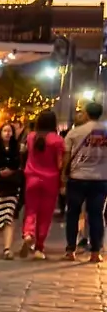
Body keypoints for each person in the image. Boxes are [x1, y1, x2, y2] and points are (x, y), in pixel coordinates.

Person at [63, 102, 107, 262]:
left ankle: (70, 250)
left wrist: (63, 177)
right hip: (101, 179)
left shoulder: (74, 133)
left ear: (87, 114)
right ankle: (95, 252)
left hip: (77, 178)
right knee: (96, 215)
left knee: (73, 214)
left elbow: (66, 157)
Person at [20, 109, 65, 259]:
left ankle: (28, 233)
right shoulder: (57, 140)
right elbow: (59, 164)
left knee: (31, 210)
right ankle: (39, 247)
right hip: (50, 181)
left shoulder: (31, 137)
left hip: (32, 178)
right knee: (45, 215)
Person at [0, 123, 23, 259]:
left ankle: (7, 249)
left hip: (11, 185)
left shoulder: (17, 148)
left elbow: (20, 166)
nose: (7, 133)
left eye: (10, 131)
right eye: (5, 130)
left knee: (9, 216)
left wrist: (11, 171)